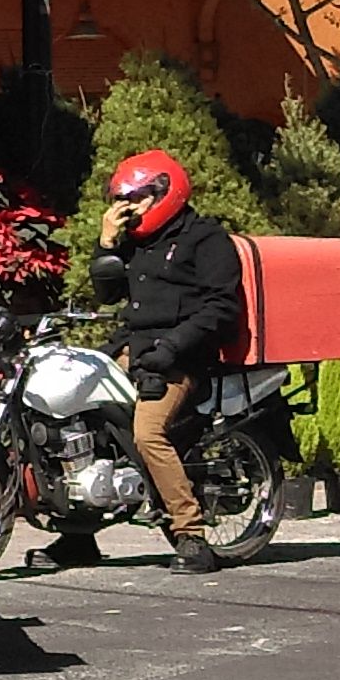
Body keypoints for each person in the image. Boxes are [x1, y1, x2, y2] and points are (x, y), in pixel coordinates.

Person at [88, 147, 244, 573]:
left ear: (164, 193)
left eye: (135, 199)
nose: (126, 208)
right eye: (120, 199)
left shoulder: (206, 239)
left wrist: (173, 346)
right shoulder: (136, 243)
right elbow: (108, 294)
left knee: (148, 433)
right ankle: (77, 534)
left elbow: (221, 308)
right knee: (78, 416)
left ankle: (191, 535)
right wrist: (105, 243)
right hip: (133, 348)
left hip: (181, 356)